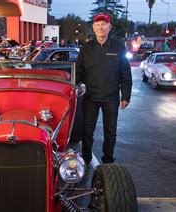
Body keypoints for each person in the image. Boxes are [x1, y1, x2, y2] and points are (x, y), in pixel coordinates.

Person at [76, 13, 132, 164]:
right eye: (98, 24)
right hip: (90, 97)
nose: (101, 27)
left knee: (110, 132)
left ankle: (108, 159)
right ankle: (86, 158)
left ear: (109, 27)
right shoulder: (86, 48)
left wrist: (125, 96)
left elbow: (125, 73)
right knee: (87, 131)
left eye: (104, 24)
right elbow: (78, 72)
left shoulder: (118, 47)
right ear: (93, 28)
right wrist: (70, 87)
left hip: (111, 97)